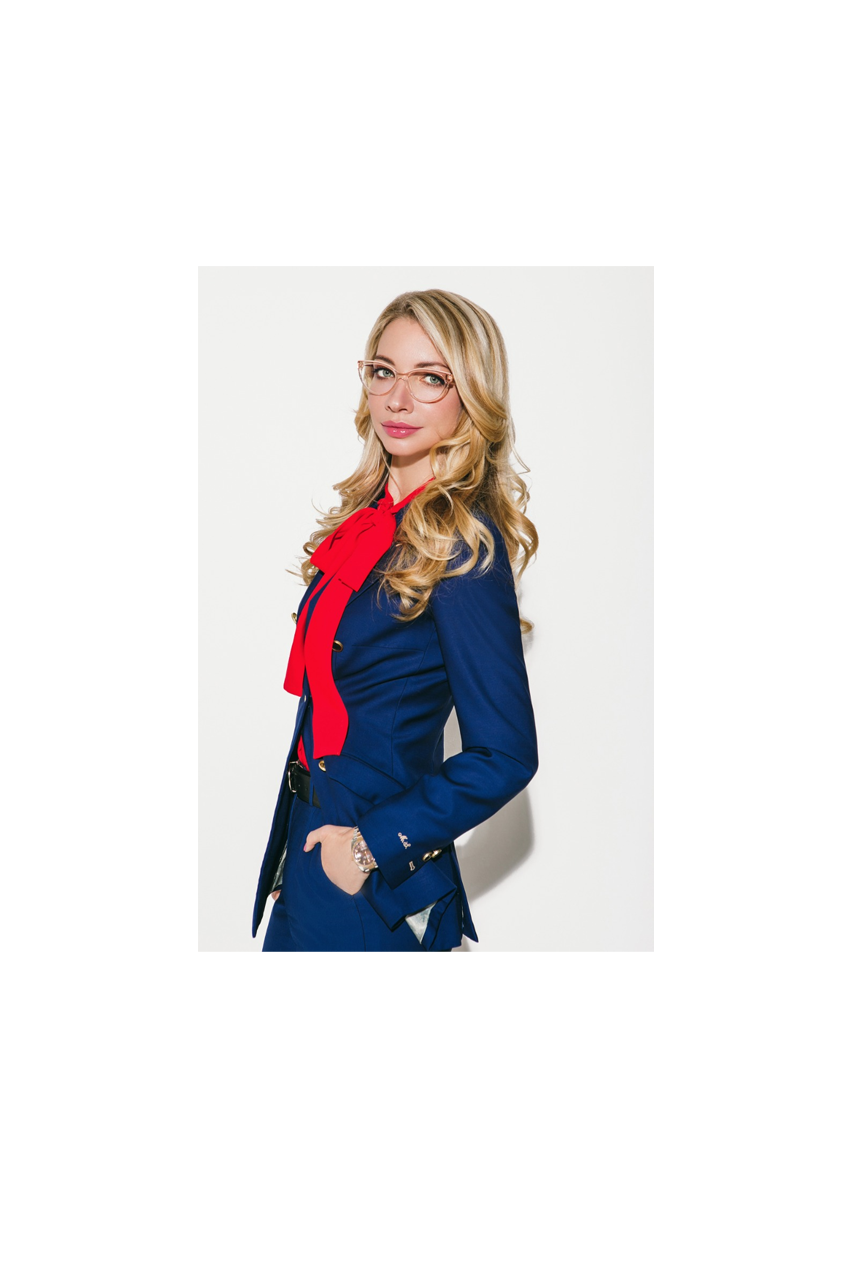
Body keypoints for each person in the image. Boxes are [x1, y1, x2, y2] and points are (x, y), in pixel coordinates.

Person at [252, 288, 539, 951]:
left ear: (470, 394)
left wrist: (365, 849)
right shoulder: (368, 527)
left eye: (430, 378)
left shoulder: (461, 547)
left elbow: (505, 755)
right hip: (308, 846)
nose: (398, 399)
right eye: (383, 372)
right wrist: (301, 849)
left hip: (368, 871)